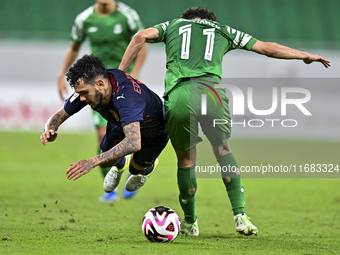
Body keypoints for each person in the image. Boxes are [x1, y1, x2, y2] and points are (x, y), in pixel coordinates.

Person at [118, 6, 331, 236]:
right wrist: (305, 56)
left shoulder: (172, 25)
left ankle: (190, 224)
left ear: (186, 19)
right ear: (209, 20)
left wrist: (120, 73)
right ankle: (240, 217)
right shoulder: (223, 30)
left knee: (186, 160)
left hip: (180, 95)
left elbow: (140, 36)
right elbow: (268, 48)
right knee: (223, 150)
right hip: (212, 95)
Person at [57, 0, 148, 202]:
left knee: (132, 136)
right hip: (97, 90)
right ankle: (112, 188)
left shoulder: (128, 16)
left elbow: (142, 46)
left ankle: (137, 171)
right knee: (103, 139)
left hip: (123, 87)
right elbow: (74, 47)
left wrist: (134, 73)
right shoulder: (84, 19)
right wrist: (62, 73)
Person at [42, 54, 168, 196]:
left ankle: (147, 168)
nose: (82, 98)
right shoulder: (91, 86)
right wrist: (49, 130)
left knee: (135, 169)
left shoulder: (126, 97)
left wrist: (91, 162)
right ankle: (120, 165)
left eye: (84, 93)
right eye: (79, 93)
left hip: (154, 133)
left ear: (100, 84)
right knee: (104, 162)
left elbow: (133, 143)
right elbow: (57, 117)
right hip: (120, 124)